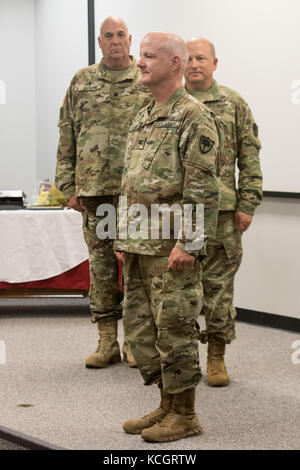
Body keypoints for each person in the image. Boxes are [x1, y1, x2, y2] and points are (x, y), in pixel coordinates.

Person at [114, 32, 220, 443]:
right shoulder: (144, 113)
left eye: (148, 56)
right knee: (141, 331)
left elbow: (202, 188)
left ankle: (186, 414)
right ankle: (166, 404)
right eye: (140, 56)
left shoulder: (194, 116)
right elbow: (132, 182)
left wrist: (189, 244)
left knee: (174, 329)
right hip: (139, 244)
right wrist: (123, 237)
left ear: (174, 63)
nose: (139, 63)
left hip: (171, 247)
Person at [55, 17, 150, 369]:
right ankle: (107, 340)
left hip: (136, 194)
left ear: (130, 40)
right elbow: (67, 133)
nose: (114, 41)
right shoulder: (82, 81)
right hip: (96, 193)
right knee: (103, 267)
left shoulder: (145, 80)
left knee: (138, 267)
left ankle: (135, 342)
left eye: (120, 35)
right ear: (99, 42)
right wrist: (67, 185)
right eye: (108, 36)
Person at [184, 38, 262, 386]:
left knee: (218, 288)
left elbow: (250, 157)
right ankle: (181, 359)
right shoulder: (170, 102)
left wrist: (247, 204)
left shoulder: (233, 103)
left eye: (201, 58)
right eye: (188, 58)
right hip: (178, 213)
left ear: (215, 63)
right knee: (179, 290)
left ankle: (216, 357)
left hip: (222, 214)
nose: (194, 64)